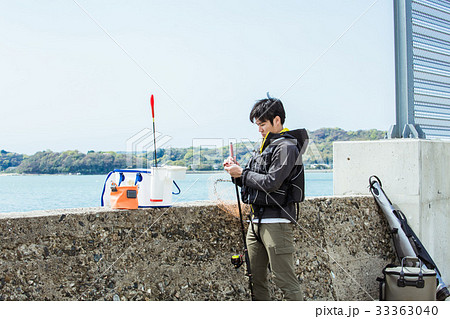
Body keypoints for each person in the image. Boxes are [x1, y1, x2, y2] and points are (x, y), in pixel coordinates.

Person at [224, 96, 308, 301]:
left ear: (277, 120)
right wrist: (236, 174)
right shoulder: (267, 147)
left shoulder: (287, 147)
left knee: (285, 280)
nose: (259, 129)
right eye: (258, 125)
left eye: (262, 124)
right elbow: (254, 181)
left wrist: (242, 173)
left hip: (276, 222)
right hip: (255, 223)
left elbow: (272, 182)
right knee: (255, 278)